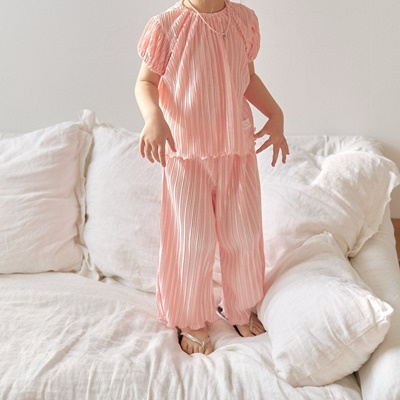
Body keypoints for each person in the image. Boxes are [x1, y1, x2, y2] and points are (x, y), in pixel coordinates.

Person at [135, 0, 289, 356]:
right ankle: (189, 317)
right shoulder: (167, 26)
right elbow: (145, 81)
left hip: (237, 149)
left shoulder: (243, 20)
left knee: (243, 233)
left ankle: (240, 307)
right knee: (193, 240)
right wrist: (153, 118)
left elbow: (247, 78)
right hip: (186, 153)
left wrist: (275, 113)